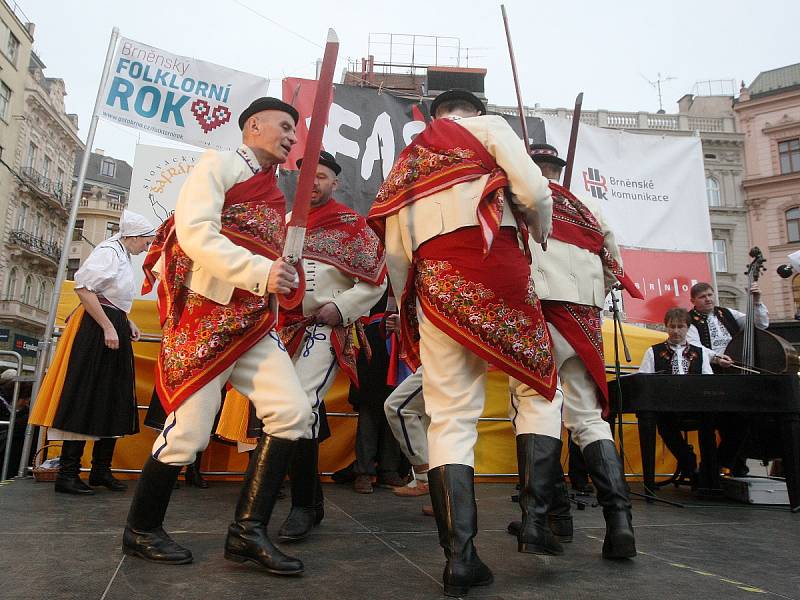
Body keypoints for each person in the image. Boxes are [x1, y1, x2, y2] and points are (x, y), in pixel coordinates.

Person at [368, 89, 556, 597]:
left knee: (450, 416)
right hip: (499, 267)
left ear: (433, 119)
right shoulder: (491, 128)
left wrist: (410, 298)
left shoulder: (409, 159)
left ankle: (460, 558)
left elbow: (395, 247)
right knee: (539, 390)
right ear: (472, 112)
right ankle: (537, 520)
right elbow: (536, 194)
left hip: (436, 283)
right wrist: (538, 231)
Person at [122, 97, 314, 575]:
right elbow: (195, 234)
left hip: (251, 321)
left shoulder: (273, 190)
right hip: (208, 314)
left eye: (295, 131)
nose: (292, 137)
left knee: (291, 413)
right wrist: (259, 270)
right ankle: (140, 529)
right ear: (254, 126)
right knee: (188, 433)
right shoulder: (219, 164)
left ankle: (247, 534)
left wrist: (280, 276)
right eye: (285, 126)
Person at [245, 150, 387, 542]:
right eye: (309, 177)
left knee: (302, 404)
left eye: (322, 177)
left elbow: (377, 281)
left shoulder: (353, 226)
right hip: (282, 329)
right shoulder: (285, 225)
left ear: (334, 182)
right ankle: (310, 503)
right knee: (285, 410)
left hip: (326, 329)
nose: (316, 183)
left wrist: (339, 308)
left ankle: (301, 507)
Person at [506, 143, 638, 560]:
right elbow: (614, 268)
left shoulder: (511, 200)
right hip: (582, 321)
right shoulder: (588, 210)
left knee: (533, 408)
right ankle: (620, 524)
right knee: (586, 418)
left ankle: (537, 518)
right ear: (557, 171)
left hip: (537, 313)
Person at [29, 210, 155, 495]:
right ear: (133, 237)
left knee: (111, 397)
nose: (147, 246)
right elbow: (84, 289)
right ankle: (68, 474)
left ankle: (100, 470)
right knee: (87, 394)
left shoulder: (121, 252)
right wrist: (109, 327)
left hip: (111, 322)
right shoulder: (109, 251)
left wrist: (126, 321)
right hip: (96, 329)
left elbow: (107, 296)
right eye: (145, 241)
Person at [686, 281, 769, 475]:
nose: (708, 299)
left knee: (745, 418)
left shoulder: (727, 313)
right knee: (726, 420)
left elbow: (759, 324)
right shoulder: (690, 320)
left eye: (710, 295)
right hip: (713, 376)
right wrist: (716, 357)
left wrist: (756, 302)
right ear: (693, 301)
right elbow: (695, 347)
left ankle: (721, 464)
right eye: (702, 297)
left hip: (737, 374)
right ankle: (728, 466)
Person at [639, 307, 713, 480]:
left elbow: (709, 380)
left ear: (687, 328)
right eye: (672, 326)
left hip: (695, 407)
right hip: (666, 408)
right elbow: (644, 381)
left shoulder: (700, 353)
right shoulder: (653, 352)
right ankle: (688, 462)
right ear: (666, 327)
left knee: (710, 421)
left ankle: (709, 471)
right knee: (664, 423)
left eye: (680, 326)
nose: (676, 331)